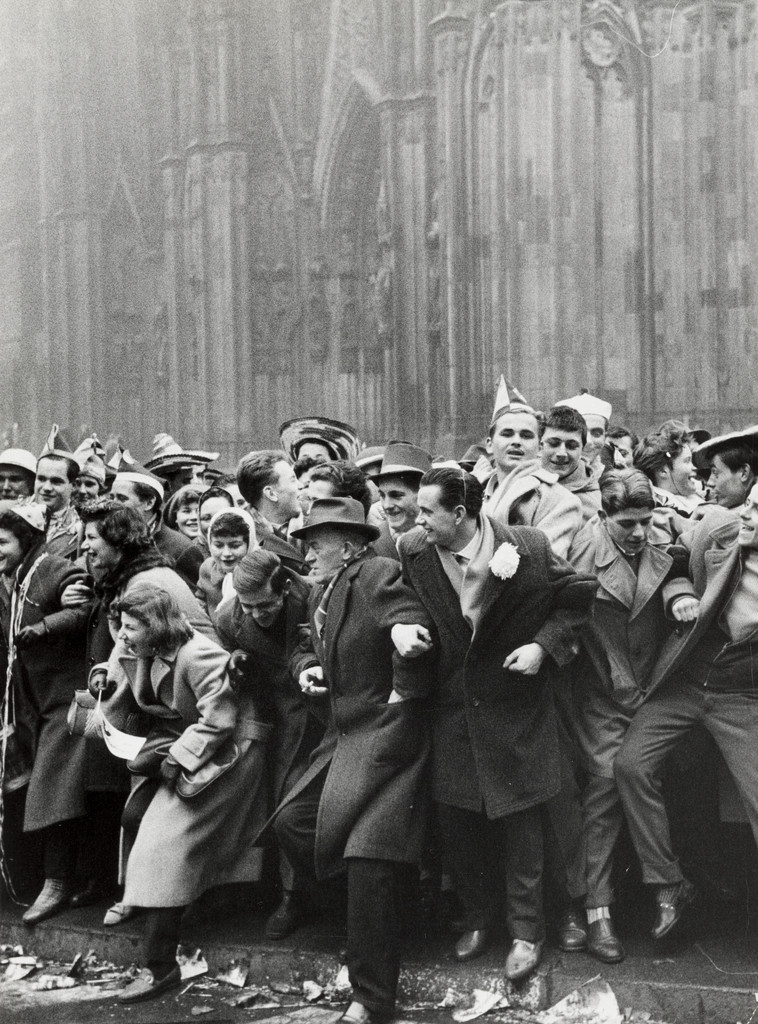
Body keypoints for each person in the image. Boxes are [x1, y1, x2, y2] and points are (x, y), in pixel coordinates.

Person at [396, 467, 596, 980]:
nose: (418, 521)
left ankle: (527, 932)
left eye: (427, 512)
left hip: (515, 705)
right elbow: (403, 604)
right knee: (458, 822)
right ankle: (478, 919)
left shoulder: (527, 547)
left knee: (521, 823)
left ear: (460, 513)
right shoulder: (414, 551)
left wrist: (542, 648)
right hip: (452, 708)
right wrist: (406, 630)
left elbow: (578, 596)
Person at [270, 497, 434, 1024]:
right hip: (343, 742)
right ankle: (377, 927)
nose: (306, 554)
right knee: (294, 824)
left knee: (369, 858)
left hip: (391, 743)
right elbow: (303, 642)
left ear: (347, 547)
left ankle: (371, 997)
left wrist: (404, 671)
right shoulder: (323, 589)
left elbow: (407, 620)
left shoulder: (374, 572)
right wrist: (306, 668)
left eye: (314, 544)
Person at [93, 582, 270, 1003]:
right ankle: (176, 903)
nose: (122, 634)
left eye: (131, 627)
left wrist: (177, 758)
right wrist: (101, 674)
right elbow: (121, 664)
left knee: (163, 847)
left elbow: (220, 720)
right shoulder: (145, 647)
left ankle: (160, 968)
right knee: (137, 817)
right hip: (191, 740)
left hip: (232, 750)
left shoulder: (198, 654)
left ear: (154, 626)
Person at [59, 499, 219, 921]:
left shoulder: (146, 582)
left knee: (159, 816)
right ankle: (141, 895)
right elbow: (123, 655)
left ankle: (153, 901)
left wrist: (98, 719)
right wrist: (102, 679)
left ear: (118, 541)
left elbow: (132, 653)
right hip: (168, 709)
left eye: (92, 537)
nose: (85, 546)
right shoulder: (135, 576)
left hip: (193, 715)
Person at [615, 480, 758, 941]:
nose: (745, 514)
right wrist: (678, 594)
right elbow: (673, 558)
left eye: (757, 510)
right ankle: (668, 885)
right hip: (686, 680)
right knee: (631, 765)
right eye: (749, 503)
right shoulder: (721, 529)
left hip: (743, 696)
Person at [567, 470, 692, 962]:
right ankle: (597, 912)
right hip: (602, 694)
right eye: (627, 524)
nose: (639, 532)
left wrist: (678, 590)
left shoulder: (664, 542)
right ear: (603, 516)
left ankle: (668, 891)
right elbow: (578, 631)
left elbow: (682, 567)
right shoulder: (580, 555)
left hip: (656, 691)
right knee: (602, 786)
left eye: (646, 520)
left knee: (641, 775)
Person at [215, 549, 325, 939]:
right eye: (248, 607)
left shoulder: (315, 596)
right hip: (276, 717)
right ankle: (292, 895)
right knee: (281, 803)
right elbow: (225, 656)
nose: (257, 614)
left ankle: (316, 893)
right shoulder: (228, 617)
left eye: (265, 605)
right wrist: (235, 660)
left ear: (285, 588)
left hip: (324, 712)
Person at [0, 503, 92, 924]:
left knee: (53, 789)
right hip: (25, 701)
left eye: (2, 541)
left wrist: (45, 626)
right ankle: (33, 877)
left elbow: (84, 606)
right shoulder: (8, 578)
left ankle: (56, 883)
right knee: (22, 784)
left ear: (25, 540)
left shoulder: (54, 568)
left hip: (65, 698)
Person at [482, 382, 582, 559]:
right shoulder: (473, 491)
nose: (516, 441)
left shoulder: (560, 501)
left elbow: (543, 564)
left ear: (540, 447)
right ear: (489, 445)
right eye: (507, 434)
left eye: (526, 436)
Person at [110, 461, 204, 586]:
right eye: (112, 498)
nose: (113, 505)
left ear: (149, 503)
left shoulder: (181, 549)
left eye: (122, 498)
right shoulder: (109, 540)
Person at [236, 450, 307, 575]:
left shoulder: (315, 521)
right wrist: (272, 540)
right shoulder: (239, 537)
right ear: (271, 493)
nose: (300, 485)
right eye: (292, 480)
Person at [539, 406, 602, 523]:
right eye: (553, 444)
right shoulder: (523, 481)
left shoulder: (595, 502)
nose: (561, 453)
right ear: (540, 445)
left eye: (571, 446)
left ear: (582, 448)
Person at [195, 508, 257, 622]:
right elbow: (199, 609)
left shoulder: (261, 571)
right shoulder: (208, 569)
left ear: (249, 544)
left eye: (235, 545)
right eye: (218, 545)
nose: (226, 553)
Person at [372, 442, 431, 560]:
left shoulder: (442, 540)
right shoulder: (375, 542)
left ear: (423, 495)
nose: (386, 505)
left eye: (396, 495)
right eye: (382, 496)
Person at [634, 426, 705, 518]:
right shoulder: (660, 513)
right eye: (687, 461)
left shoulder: (695, 497)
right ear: (662, 471)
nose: (695, 467)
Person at [34, 446, 81, 560]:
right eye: (41, 479)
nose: (46, 487)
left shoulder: (79, 531)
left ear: (74, 485)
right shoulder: (12, 517)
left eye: (56, 481)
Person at [555, 392, 613, 475]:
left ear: (605, 437)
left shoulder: (612, 477)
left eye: (596, 434)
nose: (588, 441)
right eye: (580, 432)